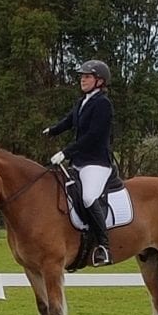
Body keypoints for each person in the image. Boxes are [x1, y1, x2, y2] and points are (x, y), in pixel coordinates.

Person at [44, 59, 114, 266]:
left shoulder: (103, 104)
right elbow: (69, 121)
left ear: (99, 81)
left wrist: (65, 152)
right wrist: (53, 130)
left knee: (88, 197)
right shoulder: (82, 102)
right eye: (82, 76)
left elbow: (93, 136)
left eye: (87, 76)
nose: (82, 80)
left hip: (96, 163)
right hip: (79, 162)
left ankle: (104, 246)